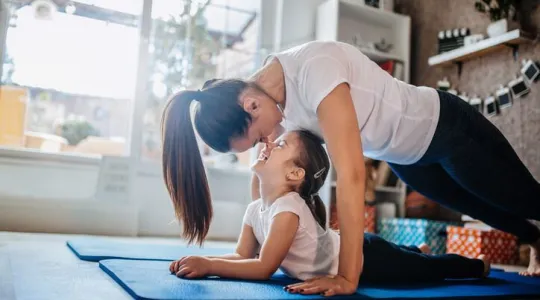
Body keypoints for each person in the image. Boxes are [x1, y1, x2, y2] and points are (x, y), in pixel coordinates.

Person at [161, 40, 540, 296]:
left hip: (446, 128)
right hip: (406, 156)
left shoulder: (314, 71)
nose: (267, 143)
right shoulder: (269, 99)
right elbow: (276, 179)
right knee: (482, 208)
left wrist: (347, 276)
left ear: (251, 106)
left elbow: (353, 173)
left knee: (521, 197)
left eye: (259, 137)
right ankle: (537, 241)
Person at [168, 130, 491, 296]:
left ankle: (478, 266)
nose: (269, 145)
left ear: (296, 175)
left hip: (367, 257)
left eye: (279, 146)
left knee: (428, 271)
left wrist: (210, 265)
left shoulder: (288, 209)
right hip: (353, 244)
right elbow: (243, 255)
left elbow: (265, 267)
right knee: (412, 257)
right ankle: (413, 249)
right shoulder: (256, 209)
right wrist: (205, 262)